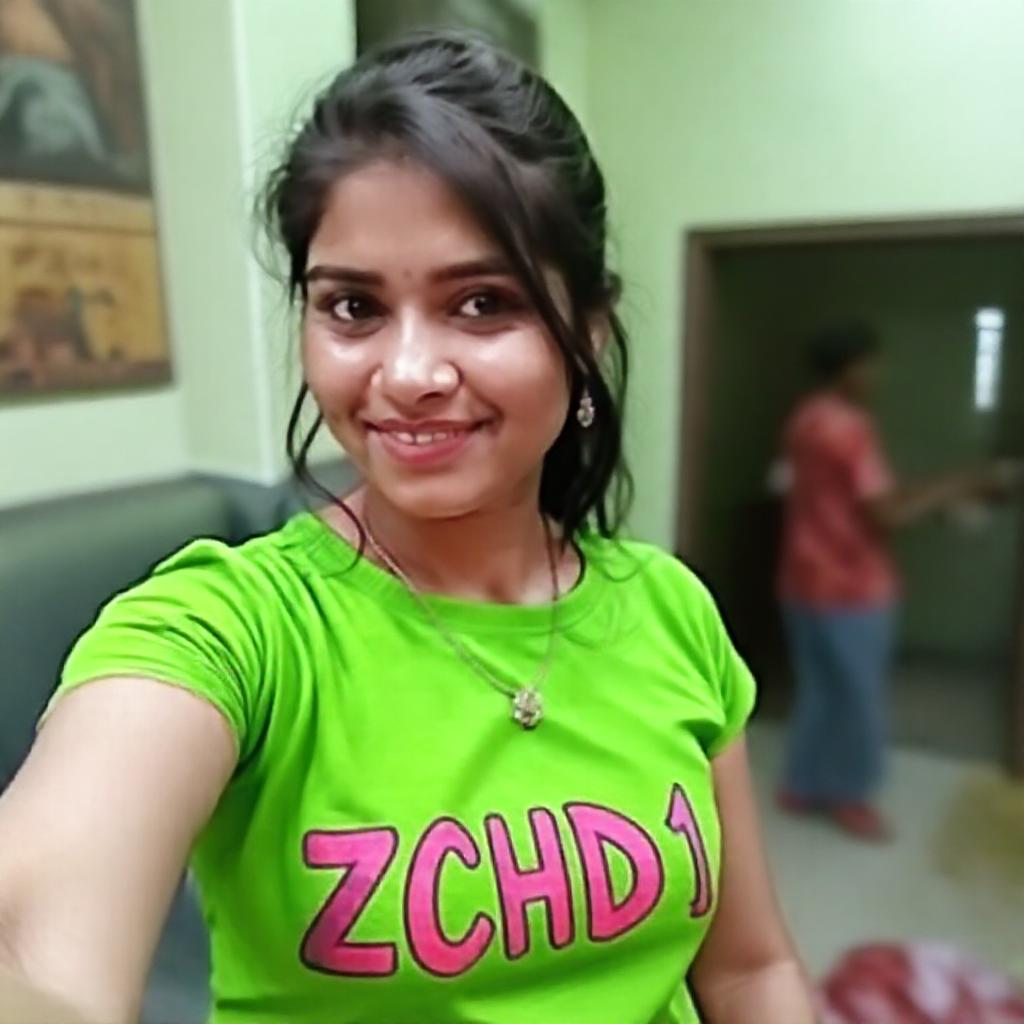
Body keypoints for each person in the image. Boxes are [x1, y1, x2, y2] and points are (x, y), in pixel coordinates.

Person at [0, 32, 816, 1024]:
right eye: (354, 306)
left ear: (587, 335)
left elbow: (749, 971)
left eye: (482, 303)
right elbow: (33, 943)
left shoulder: (670, 610)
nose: (409, 373)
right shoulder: (231, 627)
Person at [775, 321, 1017, 841]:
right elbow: (887, 513)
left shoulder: (805, 418)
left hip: (801, 582)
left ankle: (801, 784)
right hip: (852, 589)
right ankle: (850, 795)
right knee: (859, 698)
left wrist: (945, 486)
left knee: (818, 690)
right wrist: (961, 487)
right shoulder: (850, 427)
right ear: (851, 367)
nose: (878, 374)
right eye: (872, 363)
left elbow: (869, 494)